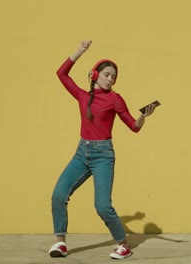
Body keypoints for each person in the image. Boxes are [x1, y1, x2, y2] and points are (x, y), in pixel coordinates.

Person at [48, 40, 156, 260]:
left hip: (103, 156)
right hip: (82, 152)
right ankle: (60, 243)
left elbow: (134, 127)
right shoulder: (82, 96)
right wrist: (79, 51)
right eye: (107, 74)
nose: (111, 79)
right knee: (58, 195)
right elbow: (61, 74)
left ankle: (123, 245)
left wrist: (144, 116)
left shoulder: (115, 99)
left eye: (114, 76)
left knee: (102, 206)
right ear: (94, 75)